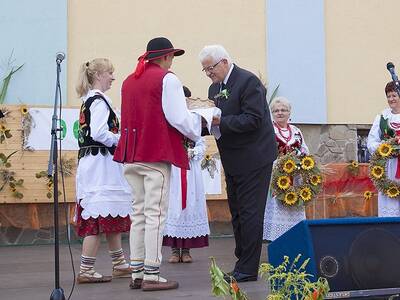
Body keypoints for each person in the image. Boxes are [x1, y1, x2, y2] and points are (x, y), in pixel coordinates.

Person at [113, 37, 213, 291]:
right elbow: (178, 117)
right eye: (171, 57)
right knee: (155, 215)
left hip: (130, 156)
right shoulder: (167, 79)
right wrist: (202, 125)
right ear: (166, 57)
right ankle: (152, 273)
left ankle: (137, 272)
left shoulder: (129, 80)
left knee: (138, 215)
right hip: (154, 155)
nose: (171, 62)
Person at [199, 45, 277, 282]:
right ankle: (242, 260)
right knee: (237, 213)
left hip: (254, 158)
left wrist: (218, 120)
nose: (208, 74)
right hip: (233, 158)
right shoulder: (215, 88)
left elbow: (252, 120)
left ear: (224, 62)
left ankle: (248, 268)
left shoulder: (248, 81)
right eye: (205, 70)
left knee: (250, 213)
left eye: (210, 68)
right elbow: (215, 123)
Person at [75, 58, 132, 283]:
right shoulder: (98, 102)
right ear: (98, 75)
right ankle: (86, 270)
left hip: (98, 164)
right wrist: (121, 140)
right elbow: (99, 133)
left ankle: (119, 263)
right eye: (109, 72)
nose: (112, 77)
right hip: (100, 167)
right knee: (97, 216)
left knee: (110, 211)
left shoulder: (90, 100)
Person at [163, 86, 210, 264]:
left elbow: (201, 142)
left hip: (190, 170)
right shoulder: (167, 119)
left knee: (190, 204)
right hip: (174, 168)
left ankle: (187, 250)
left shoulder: (193, 119)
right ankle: (175, 250)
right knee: (173, 205)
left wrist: (192, 152)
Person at [263, 97, 309, 241]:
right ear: (272, 113)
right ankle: (276, 240)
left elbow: (304, 149)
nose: (280, 113)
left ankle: (295, 238)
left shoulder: (296, 130)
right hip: (276, 176)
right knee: (277, 207)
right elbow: (263, 149)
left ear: (289, 113)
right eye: (276, 111)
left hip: (295, 177)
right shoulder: (268, 130)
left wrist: (300, 158)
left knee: (294, 205)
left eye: (283, 110)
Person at [367, 81, 400, 217]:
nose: (391, 99)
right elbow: (371, 141)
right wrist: (385, 148)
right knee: (390, 203)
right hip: (388, 167)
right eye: (388, 96)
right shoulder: (382, 117)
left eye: (394, 95)